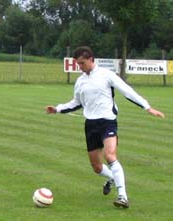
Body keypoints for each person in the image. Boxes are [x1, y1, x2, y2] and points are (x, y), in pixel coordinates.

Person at [45, 46, 165, 208]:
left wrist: (147, 107)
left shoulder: (106, 75)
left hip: (108, 121)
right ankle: (111, 178)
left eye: (82, 63)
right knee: (97, 167)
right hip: (91, 125)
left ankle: (123, 196)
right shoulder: (80, 81)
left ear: (91, 59)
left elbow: (127, 91)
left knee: (110, 155)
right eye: (78, 64)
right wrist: (57, 109)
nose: (80, 67)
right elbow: (76, 103)